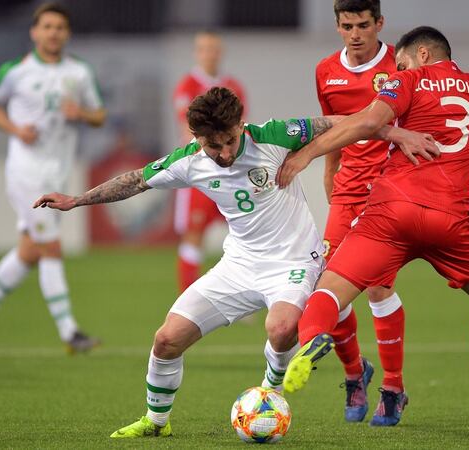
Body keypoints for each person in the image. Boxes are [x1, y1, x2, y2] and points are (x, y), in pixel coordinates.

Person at [33, 87, 436, 438]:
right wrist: (77, 200)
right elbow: (136, 179)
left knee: (280, 329)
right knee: (166, 339)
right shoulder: (189, 159)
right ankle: (157, 421)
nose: (224, 153)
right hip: (239, 264)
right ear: (198, 139)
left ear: (241, 124)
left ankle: (268, 395)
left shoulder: (274, 135)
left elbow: (343, 122)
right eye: (214, 146)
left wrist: (393, 131)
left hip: (294, 261)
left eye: (229, 141)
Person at [278, 0, 469, 437]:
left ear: (423, 56)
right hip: (451, 221)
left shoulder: (406, 80)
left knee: (330, 290)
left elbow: (366, 122)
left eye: (403, 61)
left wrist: (307, 154)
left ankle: (312, 337)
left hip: (390, 213)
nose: (398, 68)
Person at [0, 2, 107, 354]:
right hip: (25, 171)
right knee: (51, 247)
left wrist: (83, 113)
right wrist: (15, 129)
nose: (53, 32)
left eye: (59, 27)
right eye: (47, 26)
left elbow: (100, 115)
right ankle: (69, 332)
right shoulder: (17, 70)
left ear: (67, 33)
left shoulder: (79, 72)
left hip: (57, 171)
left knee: (30, 250)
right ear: (34, 32)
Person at [316, 0, 409, 425]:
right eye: (347, 26)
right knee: (328, 288)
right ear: (338, 27)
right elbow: (332, 128)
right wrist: (330, 178)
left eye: (363, 25)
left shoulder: (402, 64)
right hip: (346, 191)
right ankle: (355, 375)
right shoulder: (325, 71)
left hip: (388, 193)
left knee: (375, 288)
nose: (355, 34)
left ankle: (393, 386)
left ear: (379, 24)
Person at [173, 31, 248, 293]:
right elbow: (187, 129)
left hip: (231, 173)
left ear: (220, 51)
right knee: (193, 235)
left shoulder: (234, 87)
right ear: (197, 52)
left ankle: (245, 292)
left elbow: (240, 130)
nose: (209, 54)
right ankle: (189, 295)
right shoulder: (187, 86)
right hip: (201, 174)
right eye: (204, 49)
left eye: (214, 48)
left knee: (245, 231)